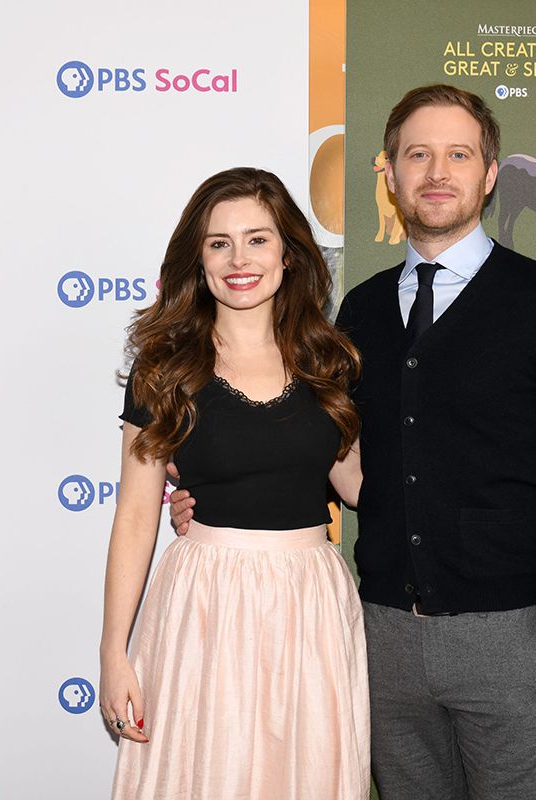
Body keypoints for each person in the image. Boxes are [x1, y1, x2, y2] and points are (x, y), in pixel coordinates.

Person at [170, 84, 536, 800]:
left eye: (458, 154)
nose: (437, 172)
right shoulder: (358, 313)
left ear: (491, 173)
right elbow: (328, 457)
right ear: (389, 174)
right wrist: (220, 500)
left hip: (511, 642)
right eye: (417, 154)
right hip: (380, 641)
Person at [100, 167, 370, 799]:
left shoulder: (329, 360)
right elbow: (138, 516)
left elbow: (358, 486)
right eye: (219, 243)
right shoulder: (165, 369)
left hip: (311, 601)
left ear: (289, 253)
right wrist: (115, 653)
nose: (239, 259)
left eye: (257, 239)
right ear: (198, 258)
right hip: (202, 600)